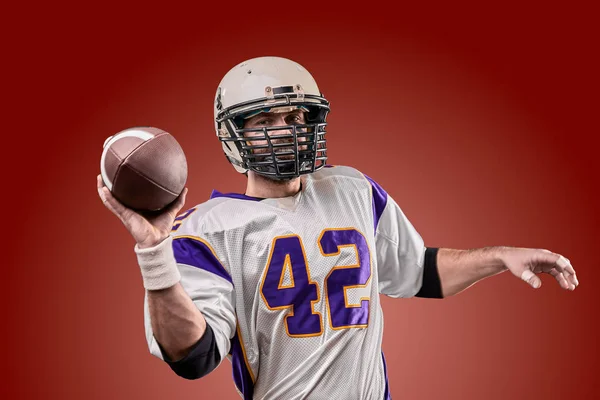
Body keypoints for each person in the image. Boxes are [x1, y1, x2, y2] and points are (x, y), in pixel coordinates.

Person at [97, 56, 579, 400]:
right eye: (266, 118)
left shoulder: (351, 189)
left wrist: (500, 256)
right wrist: (156, 254)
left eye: (296, 115)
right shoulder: (205, 232)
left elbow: (423, 273)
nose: (286, 128)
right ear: (233, 133)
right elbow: (193, 357)